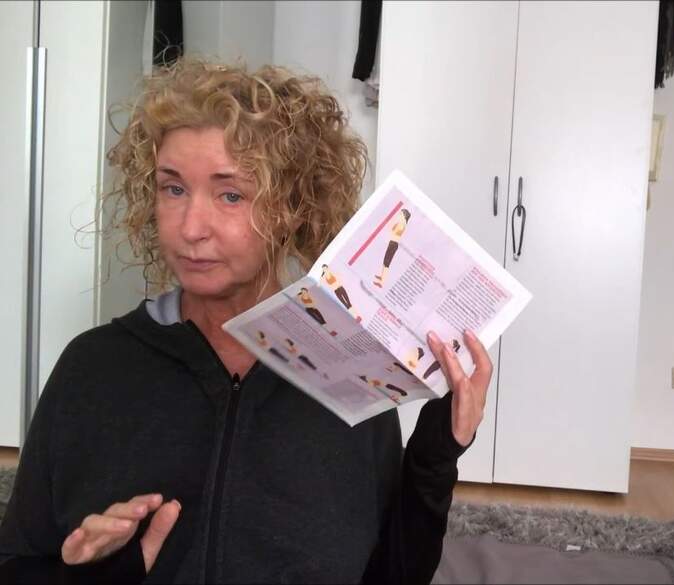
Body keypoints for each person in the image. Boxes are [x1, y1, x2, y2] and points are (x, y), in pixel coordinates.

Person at [0, 58, 491, 584]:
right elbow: (16, 562)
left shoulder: (350, 373)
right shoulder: (92, 368)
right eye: (173, 188)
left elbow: (391, 575)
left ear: (292, 207)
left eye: (230, 194)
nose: (191, 228)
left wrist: (434, 456)